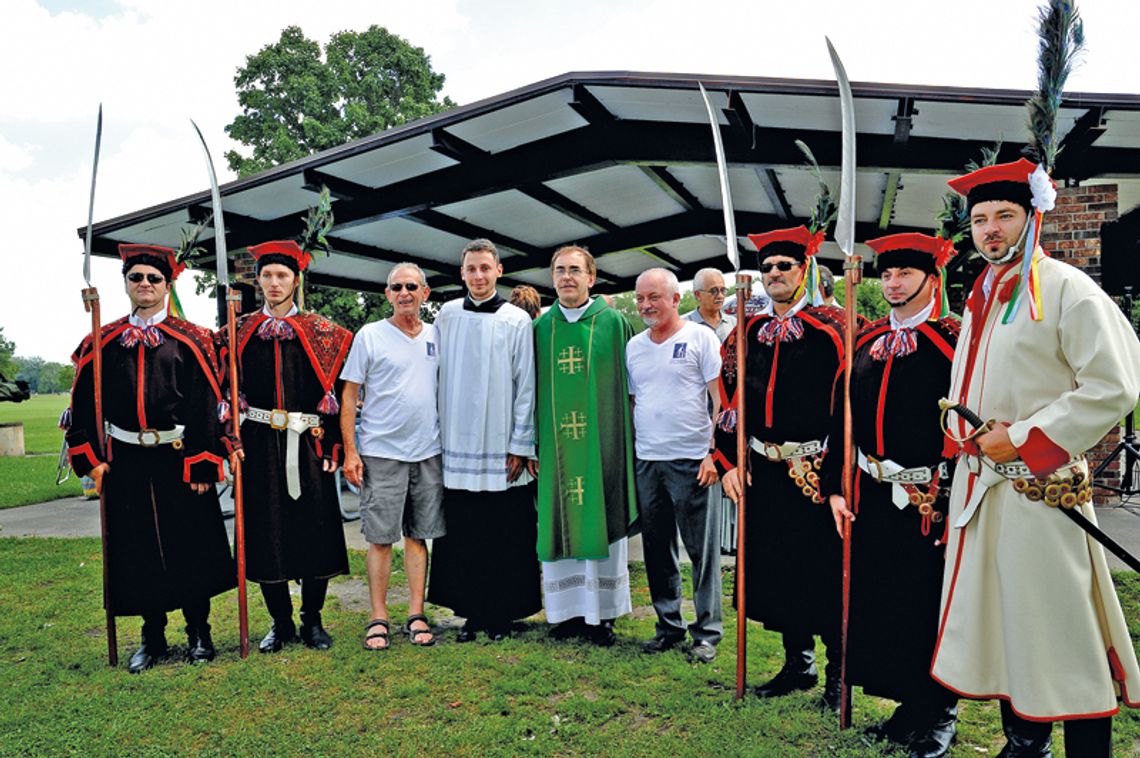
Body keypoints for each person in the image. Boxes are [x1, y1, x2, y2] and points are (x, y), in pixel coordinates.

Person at [931, 158, 1140, 756]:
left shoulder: (1068, 289)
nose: (990, 229)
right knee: (1008, 626)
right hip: (983, 491)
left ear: (1032, 218)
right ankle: (1025, 741)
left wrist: (1024, 437)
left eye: (1004, 216)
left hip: (1038, 492)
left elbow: (1114, 383)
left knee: (1062, 632)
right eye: (980, 219)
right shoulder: (983, 294)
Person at [64, 244, 235, 673]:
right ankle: (151, 635)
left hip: (179, 459)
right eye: (136, 277)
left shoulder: (191, 340)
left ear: (167, 285)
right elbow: (82, 405)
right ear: (125, 283)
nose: (145, 284)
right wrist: (91, 459)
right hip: (125, 461)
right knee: (137, 547)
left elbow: (207, 404)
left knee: (189, 544)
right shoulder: (101, 342)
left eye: (153, 279)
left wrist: (202, 462)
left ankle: (199, 630)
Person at [824, 233, 960, 757]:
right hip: (870, 496)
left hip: (929, 500)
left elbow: (964, 424)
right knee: (885, 602)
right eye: (887, 275)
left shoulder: (953, 341)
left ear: (932, 279)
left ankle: (939, 712)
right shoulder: (866, 340)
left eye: (904, 274)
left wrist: (949, 498)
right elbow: (842, 421)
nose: (894, 283)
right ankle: (908, 704)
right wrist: (836, 488)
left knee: (930, 605)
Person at [714, 225, 845, 709]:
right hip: (763, 472)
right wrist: (727, 458)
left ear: (804, 269)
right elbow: (730, 398)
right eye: (766, 268)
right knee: (782, 572)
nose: (773, 274)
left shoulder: (833, 328)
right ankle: (798, 664)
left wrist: (837, 477)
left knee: (823, 575)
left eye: (783, 266)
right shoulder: (746, 331)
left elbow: (852, 405)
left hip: (814, 472)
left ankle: (838, 675)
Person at [221, 240, 352, 653]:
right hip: (257, 446)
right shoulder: (237, 332)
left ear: (296, 280)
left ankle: (312, 620)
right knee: (265, 533)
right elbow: (221, 390)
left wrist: (333, 443)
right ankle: (280, 622)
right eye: (267, 276)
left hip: (310, 447)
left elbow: (336, 394)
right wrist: (230, 437)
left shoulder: (323, 333)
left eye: (282, 276)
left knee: (314, 532)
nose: (274, 283)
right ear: (257, 280)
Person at [427, 239, 541, 641]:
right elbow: (434, 375)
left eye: (485, 268)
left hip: (500, 443)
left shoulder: (516, 320)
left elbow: (526, 384)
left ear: (499, 271)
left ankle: (502, 614)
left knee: (505, 532)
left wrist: (520, 445)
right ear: (461, 273)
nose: (478, 276)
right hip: (457, 439)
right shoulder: (447, 316)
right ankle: (472, 613)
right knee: (465, 533)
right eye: (471, 269)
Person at [531, 245, 637, 646]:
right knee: (560, 524)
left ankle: (602, 616)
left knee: (600, 517)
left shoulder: (613, 323)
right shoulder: (541, 329)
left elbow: (630, 389)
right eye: (559, 270)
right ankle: (566, 613)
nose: (566, 277)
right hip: (555, 447)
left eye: (575, 270)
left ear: (592, 278)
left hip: (602, 445)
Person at [340, 262, 443, 651]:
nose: (404, 293)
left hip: (428, 451)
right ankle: (378, 616)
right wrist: (352, 450)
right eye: (397, 287)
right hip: (382, 452)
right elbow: (349, 393)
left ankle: (416, 613)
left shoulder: (437, 335)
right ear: (387, 294)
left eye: (411, 287)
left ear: (425, 293)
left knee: (419, 537)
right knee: (381, 539)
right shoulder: (370, 336)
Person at [627, 268, 723, 663]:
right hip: (649, 460)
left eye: (654, 297)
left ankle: (707, 632)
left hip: (693, 459)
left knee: (702, 552)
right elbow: (636, 400)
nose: (646, 305)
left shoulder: (701, 338)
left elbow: (721, 400)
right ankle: (669, 625)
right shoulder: (634, 346)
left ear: (675, 299)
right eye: (641, 298)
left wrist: (715, 452)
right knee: (657, 548)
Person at [685, 267, 736, 342]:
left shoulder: (734, 323)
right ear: (698, 295)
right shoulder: (684, 327)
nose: (720, 296)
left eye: (723, 290)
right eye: (713, 291)